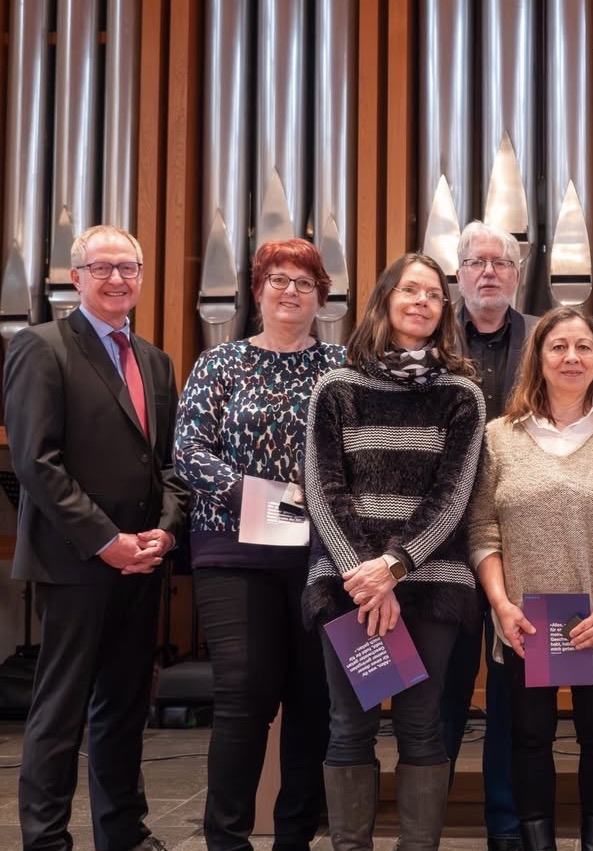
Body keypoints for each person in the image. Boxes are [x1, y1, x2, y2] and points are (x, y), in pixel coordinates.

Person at [3, 225, 191, 851]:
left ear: (141, 276)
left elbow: (167, 465)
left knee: (123, 709)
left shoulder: (156, 360)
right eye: (102, 267)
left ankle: (123, 834)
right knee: (59, 712)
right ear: (75, 277)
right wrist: (106, 540)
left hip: (142, 564)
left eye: (128, 268)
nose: (117, 279)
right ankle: (46, 839)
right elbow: (36, 462)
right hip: (75, 562)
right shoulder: (41, 347)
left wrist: (163, 535)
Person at [468, 306, 593, 851]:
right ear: (539, 357)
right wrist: (502, 604)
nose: (572, 357)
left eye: (583, 347)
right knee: (529, 737)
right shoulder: (499, 437)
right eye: (558, 346)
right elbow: (482, 529)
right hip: (525, 622)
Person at [303, 253, 485, 851]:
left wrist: (396, 566)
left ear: (444, 311)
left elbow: (453, 497)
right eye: (410, 290)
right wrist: (367, 575)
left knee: (420, 724)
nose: (422, 302)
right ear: (384, 300)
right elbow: (324, 489)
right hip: (346, 582)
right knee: (349, 726)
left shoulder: (462, 393)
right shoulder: (336, 388)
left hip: (432, 583)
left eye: (434, 294)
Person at [174, 238, 345, 851]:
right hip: (235, 555)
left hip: (320, 560)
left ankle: (294, 838)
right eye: (278, 279)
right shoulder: (219, 364)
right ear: (258, 291)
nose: (290, 291)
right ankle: (226, 839)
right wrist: (270, 495)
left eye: (304, 281)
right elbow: (189, 453)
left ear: (321, 296)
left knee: (314, 701)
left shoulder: (341, 366)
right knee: (244, 696)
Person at [440, 220, 537, 851]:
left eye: (501, 262)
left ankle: (508, 826)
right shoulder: (429, 334)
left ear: (517, 274)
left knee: (514, 695)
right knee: (441, 692)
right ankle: (426, 819)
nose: (489, 272)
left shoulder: (545, 338)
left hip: (523, 543)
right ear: (459, 272)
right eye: (476, 261)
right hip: (439, 544)